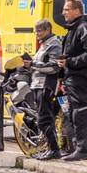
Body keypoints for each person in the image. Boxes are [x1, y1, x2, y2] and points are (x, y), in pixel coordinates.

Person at [56, 0, 87, 161]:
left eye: (66, 9)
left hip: (80, 77)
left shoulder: (84, 28)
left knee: (79, 114)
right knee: (74, 113)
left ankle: (82, 150)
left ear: (77, 10)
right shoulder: (72, 29)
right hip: (71, 77)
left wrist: (69, 62)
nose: (63, 13)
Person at [24, 19, 63, 160]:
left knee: (44, 120)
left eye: (39, 31)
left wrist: (33, 64)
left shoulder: (54, 44)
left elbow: (54, 67)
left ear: (48, 30)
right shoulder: (44, 45)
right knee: (45, 119)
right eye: (36, 31)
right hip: (38, 85)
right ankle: (51, 149)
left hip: (46, 85)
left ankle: (54, 149)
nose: (37, 34)